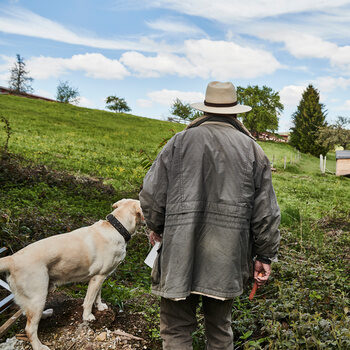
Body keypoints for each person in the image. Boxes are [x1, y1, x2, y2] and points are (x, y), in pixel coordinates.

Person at [139, 81, 280, 350]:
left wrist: (156, 226)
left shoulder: (179, 141)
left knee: (176, 328)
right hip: (227, 257)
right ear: (236, 112)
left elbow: (152, 194)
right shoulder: (253, 150)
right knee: (219, 329)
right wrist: (264, 256)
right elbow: (267, 213)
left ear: (205, 109)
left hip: (180, 250)